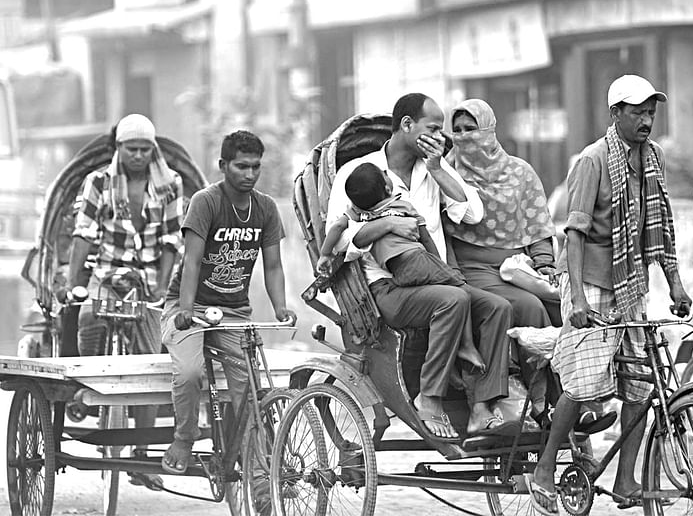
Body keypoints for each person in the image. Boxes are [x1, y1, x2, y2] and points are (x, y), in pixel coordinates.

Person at [527, 74, 693, 515]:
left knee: (643, 383)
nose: (646, 120)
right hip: (591, 283)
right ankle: (544, 469)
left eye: (651, 112)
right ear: (615, 113)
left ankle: (625, 479)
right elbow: (574, 235)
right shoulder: (592, 161)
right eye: (637, 112)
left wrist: (675, 283)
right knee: (581, 383)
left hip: (631, 283)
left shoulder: (652, 158)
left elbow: (662, 228)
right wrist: (576, 298)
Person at [327, 92, 514, 440]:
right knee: (454, 300)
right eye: (433, 127)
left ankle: (482, 407)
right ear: (407, 125)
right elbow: (339, 241)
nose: (440, 136)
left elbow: (472, 213)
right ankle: (429, 397)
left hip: (432, 276)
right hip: (387, 289)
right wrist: (387, 225)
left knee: (497, 307)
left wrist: (437, 168)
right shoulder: (359, 172)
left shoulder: (433, 170)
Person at [445, 99, 610, 431]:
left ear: (489, 130)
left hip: (519, 266)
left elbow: (537, 227)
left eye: (471, 129)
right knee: (529, 307)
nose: (464, 137)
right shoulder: (446, 174)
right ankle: (542, 403)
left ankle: (581, 396)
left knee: (569, 305)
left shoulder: (520, 172)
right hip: (472, 268)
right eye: (458, 130)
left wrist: (545, 264)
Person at [160, 130, 296, 475]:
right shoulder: (206, 202)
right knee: (190, 373)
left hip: (234, 311)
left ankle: (259, 468)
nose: (249, 174)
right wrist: (187, 310)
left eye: (255, 167)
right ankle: (184, 437)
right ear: (223, 166)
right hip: (186, 306)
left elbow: (274, 265)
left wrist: (281, 307)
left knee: (249, 385)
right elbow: (191, 261)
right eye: (241, 166)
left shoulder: (264, 208)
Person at [68, 113, 183, 490]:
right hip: (106, 276)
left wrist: (160, 289)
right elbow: (83, 233)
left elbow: (170, 240)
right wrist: (75, 285)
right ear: (118, 148)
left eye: (144, 149)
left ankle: (143, 455)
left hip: (149, 280)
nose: (138, 155)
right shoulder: (97, 182)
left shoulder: (170, 185)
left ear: (153, 150)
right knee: (86, 319)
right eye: (131, 148)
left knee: (150, 365)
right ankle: (83, 392)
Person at [318, 162, 485, 372]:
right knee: (459, 290)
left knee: (451, 296)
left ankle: (451, 361)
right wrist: (441, 267)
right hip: (415, 261)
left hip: (397, 270)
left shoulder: (359, 212)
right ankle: (466, 346)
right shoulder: (403, 206)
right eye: (383, 174)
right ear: (388, 188)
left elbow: (337, 226)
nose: (388, 172)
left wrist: (324, 254)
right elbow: (426, 239)